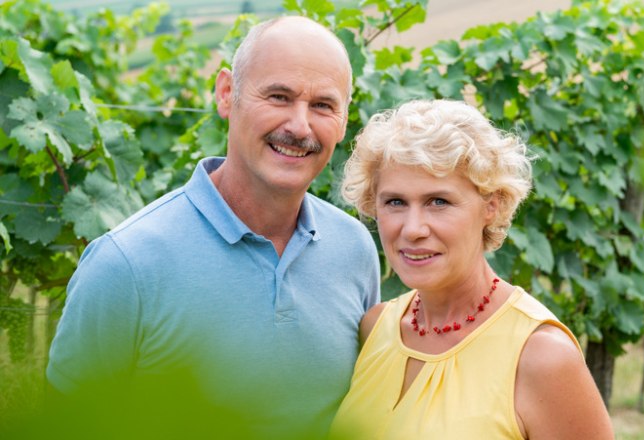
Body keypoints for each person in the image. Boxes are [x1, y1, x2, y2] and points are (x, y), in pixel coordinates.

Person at [46, 16, 380, 439]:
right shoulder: (125, 265)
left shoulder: (352, 248)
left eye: (323, 105)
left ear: (345, 118)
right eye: (279, 96)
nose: (300, 126)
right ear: (227, 94)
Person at [330, 100, 613, 439]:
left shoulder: (542, 356)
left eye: (439, 202)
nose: (413, 228)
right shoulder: (375, 328)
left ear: (490, 207)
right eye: (395, 202)